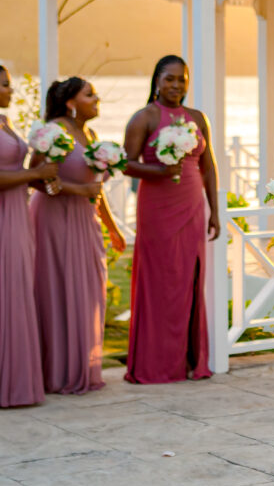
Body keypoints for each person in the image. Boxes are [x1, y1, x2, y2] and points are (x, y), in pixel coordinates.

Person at [123, 55, 220, 384]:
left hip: (192, 207)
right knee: (160, 283)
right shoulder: (144, 118)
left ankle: (191, 361)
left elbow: (208, 167)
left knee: (190, 281)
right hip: (157, 209)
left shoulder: (197, 118)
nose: (176, 85)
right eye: (169, 79)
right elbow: (126, 164)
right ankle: (158, 364)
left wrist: (215, 211)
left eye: (182, 79)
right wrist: (160, 171)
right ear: (156, 80)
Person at [29, 77, 125, 395]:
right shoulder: (53, 130)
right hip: (53, 219)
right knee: (56, 289)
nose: (97, 98)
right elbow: (37, 178)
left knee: (88, 289)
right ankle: (56, 372)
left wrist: (112, 227)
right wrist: (78, 189)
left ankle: (81, 365)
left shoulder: (91, 134)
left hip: (85, 219)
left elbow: (96, 190)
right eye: (90, 94)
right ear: (71, 102)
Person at [0, 65, 58, 407]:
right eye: (5, 85)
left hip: (17, 214)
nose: (11, 90)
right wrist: (33, 173)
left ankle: (16, 380)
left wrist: (42, 179)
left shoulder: (5, 123)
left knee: (17, 289)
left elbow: (19, 173)